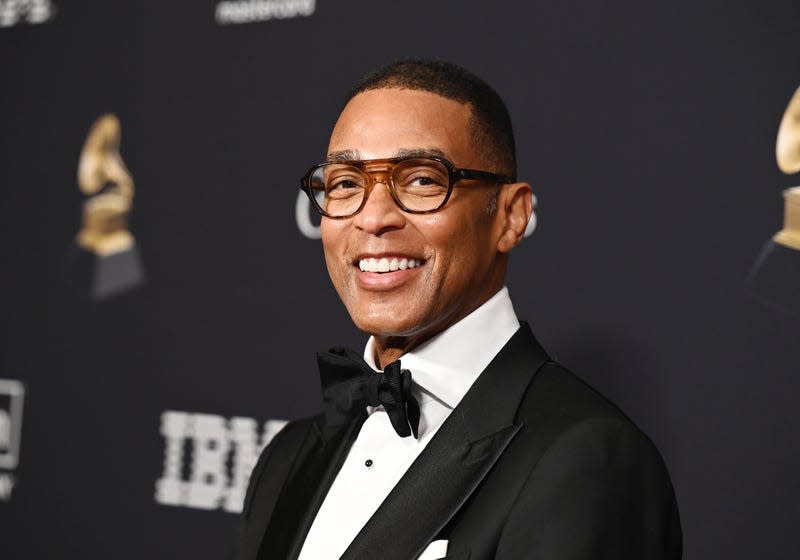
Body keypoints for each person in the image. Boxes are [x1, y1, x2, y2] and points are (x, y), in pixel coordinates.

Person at [233, 58, 682, 560]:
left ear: (511, 216)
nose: (374, 217)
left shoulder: (589, 460)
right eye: (345, 184)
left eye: (422, 180)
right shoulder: (287, 457)